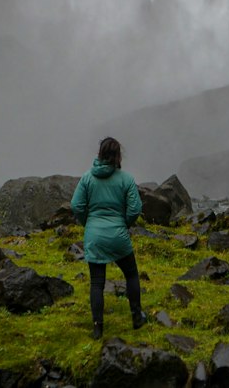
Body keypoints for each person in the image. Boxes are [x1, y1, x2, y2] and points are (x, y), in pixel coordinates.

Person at [71, 135, 145, 339]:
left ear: (100, 154)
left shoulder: (87, 178)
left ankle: (97, 329)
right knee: (131, 274)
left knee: (97, 283)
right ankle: (137, 317)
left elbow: (76, 206)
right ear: (118, 155)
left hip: (94, 235)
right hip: (118, 235)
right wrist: (124, 224)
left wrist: (89, 223)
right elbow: (135, 208)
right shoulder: (126, 179)